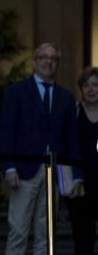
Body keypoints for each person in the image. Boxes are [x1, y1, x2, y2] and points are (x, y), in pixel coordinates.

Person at [0, 43, 83, 255]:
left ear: (57, 64)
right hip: (23, 170)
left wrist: (76, 176)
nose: (48, 62)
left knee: (46, 234)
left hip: (54, 173)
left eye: (53, 59)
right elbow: (7, 131)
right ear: (34, 62)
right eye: (44, 57)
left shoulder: (66, 97)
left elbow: (72, 140)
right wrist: (9, 167)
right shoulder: (16, 92)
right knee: (18, 230)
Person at [63, 66, 98, 254]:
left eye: (95, 85)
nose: (91, 89)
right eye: (86, 85)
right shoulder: (74, 113)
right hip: (80, 181)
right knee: (83, 235)